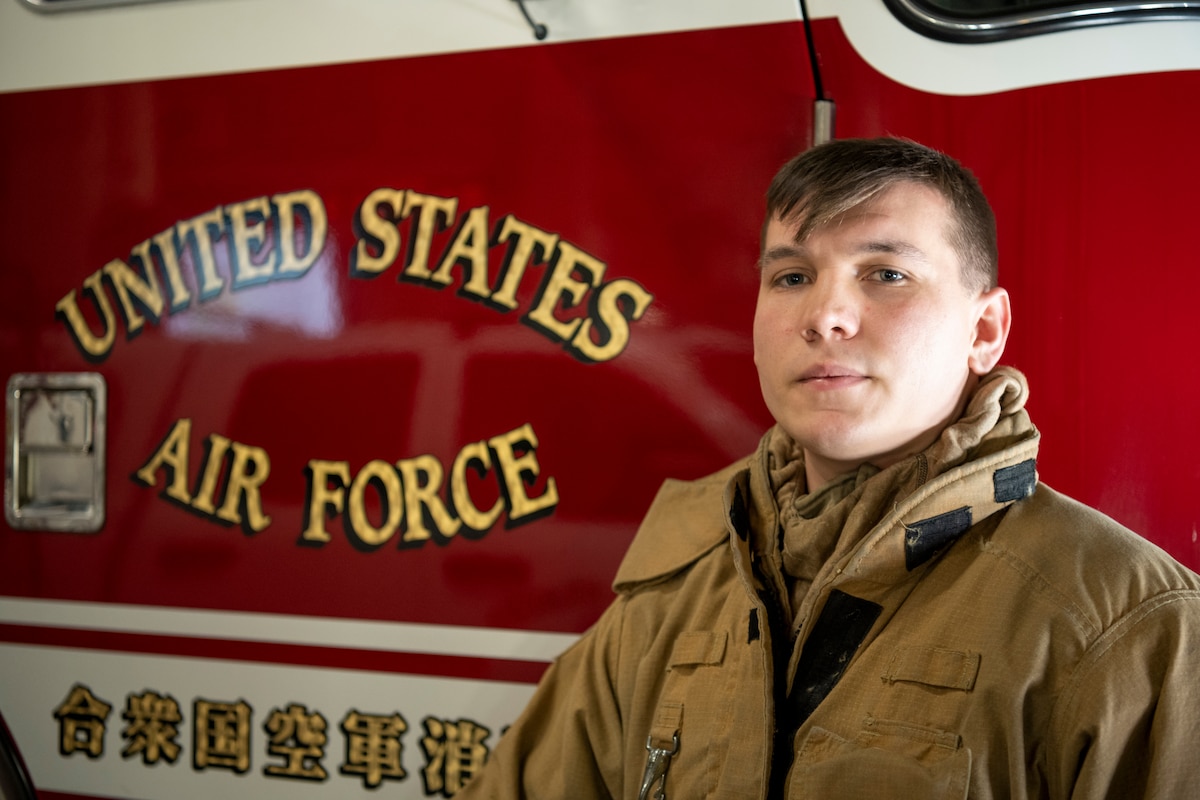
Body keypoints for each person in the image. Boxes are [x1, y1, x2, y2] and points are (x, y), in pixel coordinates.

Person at [458, 137, 1200, 798]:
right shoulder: (677, 590)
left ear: (983, 330)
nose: (825, 315)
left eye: (885, 274)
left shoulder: (1125, 626)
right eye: (791, 277)